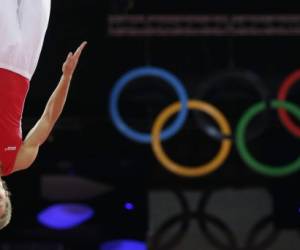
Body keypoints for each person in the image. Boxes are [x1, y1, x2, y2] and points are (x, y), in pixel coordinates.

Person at [0, 0, 87, 229]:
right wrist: (66, 78)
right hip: (24, 67)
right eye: (0, 200)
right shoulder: (19, 160)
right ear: (6, 194)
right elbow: (48, 118)